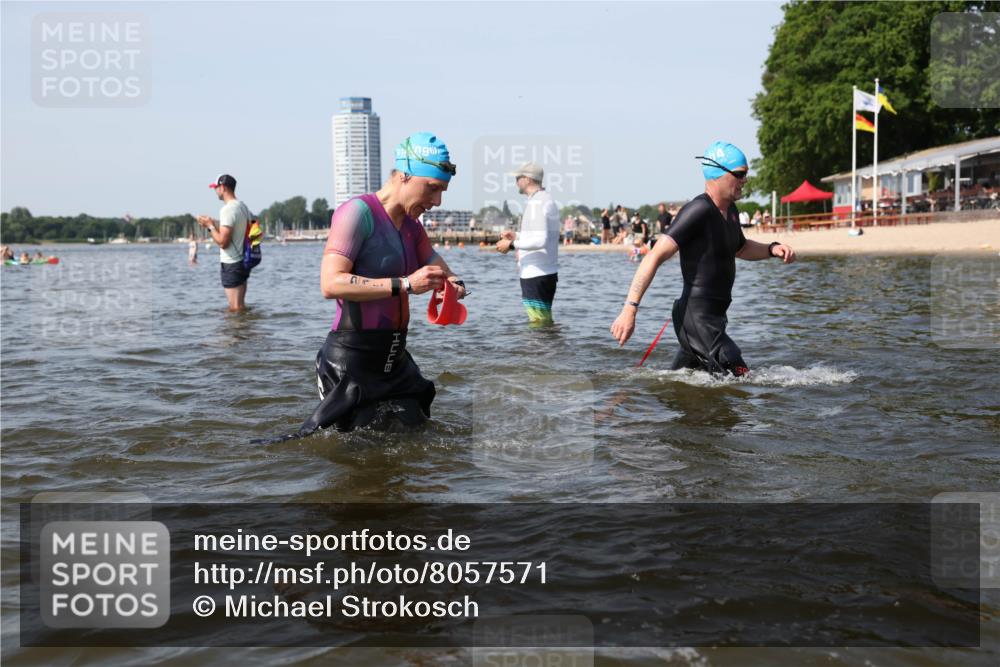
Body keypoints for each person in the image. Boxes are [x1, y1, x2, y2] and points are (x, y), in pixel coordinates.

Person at [293, 131, 465, 437]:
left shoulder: (412, 226)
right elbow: (330, 283)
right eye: (432, 189)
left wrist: (453, 283)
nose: (437, 202)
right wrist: (405, 285)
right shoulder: (357, 213)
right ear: (404, 176)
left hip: (395, 361)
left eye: (442, 192)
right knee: (360, 459)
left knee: (416, 442)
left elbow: (434, 260)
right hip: (351, 362)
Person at [610, 141, 796, 377]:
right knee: (740, 375)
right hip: (696, 318)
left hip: (715, 317)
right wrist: (630, 309)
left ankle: (642, 394)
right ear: (717, 174)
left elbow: (741, 248)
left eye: (746, 174)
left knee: (680, 382)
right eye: (739, 175)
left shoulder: (731, 211)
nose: (745, 180)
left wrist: (772, 249)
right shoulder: (698, 210)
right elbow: (654, 255)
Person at [496, 161, 560, 326]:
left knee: (539, 324)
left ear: (527, 179)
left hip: (536, 273)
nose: (516, 181)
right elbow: (540, 235)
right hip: (543, 272)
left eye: (518, 177)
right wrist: (516, 235)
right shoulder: (544, 199)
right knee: (543, 323)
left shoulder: (538, 203)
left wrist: (511, 245)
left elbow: (540, 240)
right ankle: (548, 350)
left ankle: (540, 351)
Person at [197, 174, 254, 312]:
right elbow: (240, 229)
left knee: (235, 308)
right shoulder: (243, 206)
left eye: (216, 187)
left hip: (231, 264)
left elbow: (223, 242)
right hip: (243, 262)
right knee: (240, 306)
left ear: (222, 187)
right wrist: (213, 223)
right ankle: (243, 331)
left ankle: (236, 333)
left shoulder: (227, 210)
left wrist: (210, 226)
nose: (215, 191)